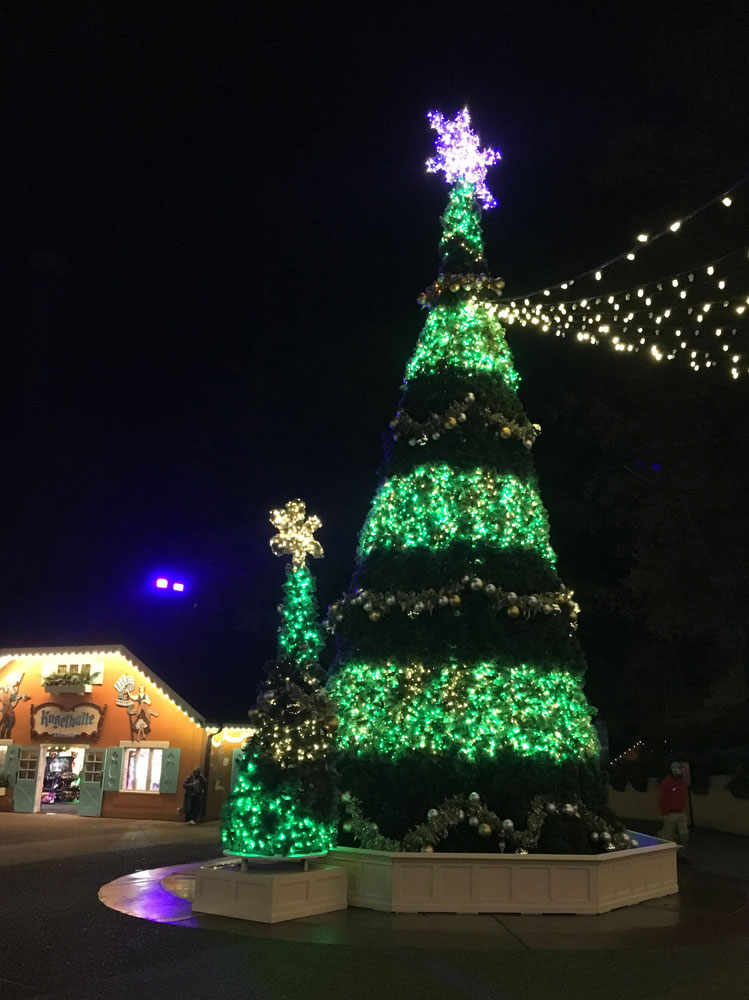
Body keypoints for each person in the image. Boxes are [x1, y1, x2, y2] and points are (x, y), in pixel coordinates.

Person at [658, 760, 691, 858]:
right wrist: (665, 811)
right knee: (668, 835)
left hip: (680, 813)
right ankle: (666, 855)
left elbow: (688, 783)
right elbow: (662, 797)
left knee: (684, 835)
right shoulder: (667, 782)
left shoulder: (682, 781)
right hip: (671, 813)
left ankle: (680, 854)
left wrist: (686, 771)